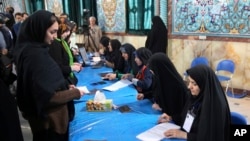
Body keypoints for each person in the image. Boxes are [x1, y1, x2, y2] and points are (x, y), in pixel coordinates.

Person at [13, 10, 84, 141]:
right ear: (39, 30)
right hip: (49, 125)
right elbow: (47, 97)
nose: (54, 36)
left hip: (46, 123)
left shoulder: (33, 50)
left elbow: (45, 85)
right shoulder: (35, 57)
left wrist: (65, 87)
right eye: (52, 32)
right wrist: (74, 93)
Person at [158, 65, 231, 141]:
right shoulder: (195, 97)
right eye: (189, 82)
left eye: (194, 84)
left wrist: (183, 135)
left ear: (204, 85)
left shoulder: (214, 106)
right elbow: (188, 119)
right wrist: (171, 117)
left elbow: (210, 137)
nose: (189, 87)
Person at [147, 53, 188, 117]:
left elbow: (182, 114)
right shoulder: (160, 80)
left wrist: (170, 117)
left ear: (161, 69)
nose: (152, 72)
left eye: (153, 70)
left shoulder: (179, 87)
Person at [49, 21, 82, 85]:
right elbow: (58, 66)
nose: (68, 34)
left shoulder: (63, 42)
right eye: (66, 32)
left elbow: (66, 60)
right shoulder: (55, 44)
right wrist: (72, 67)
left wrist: (73, 64)